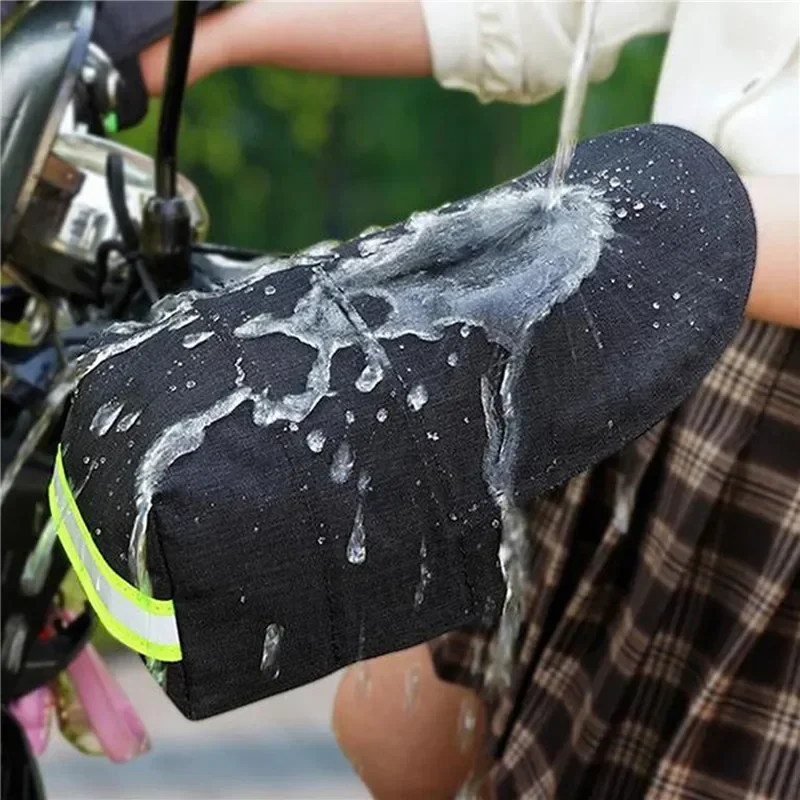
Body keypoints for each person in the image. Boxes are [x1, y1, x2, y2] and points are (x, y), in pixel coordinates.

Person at [126, 1, 800, 797]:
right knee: (393, 734)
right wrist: (212, 34)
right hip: (657, 302)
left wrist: (657, 225)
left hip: (694, 281)